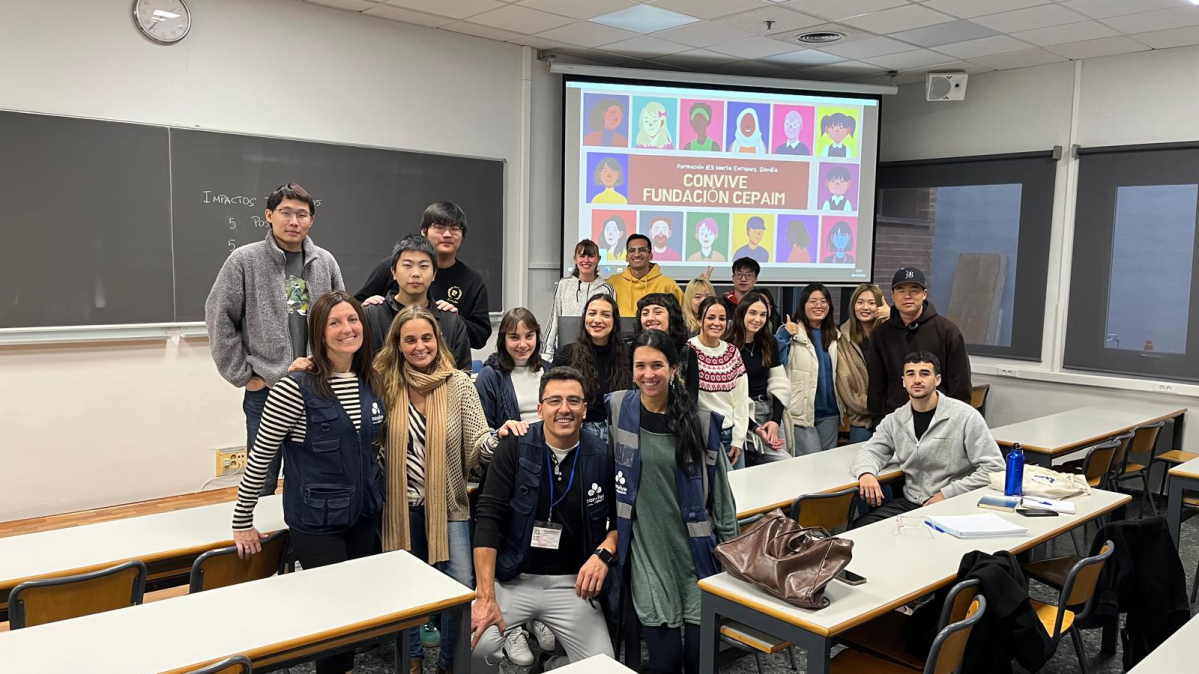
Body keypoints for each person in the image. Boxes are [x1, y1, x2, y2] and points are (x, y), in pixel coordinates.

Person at [231, 291, 381, 674]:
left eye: (353, 320)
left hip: (364, 513)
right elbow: (262, 455)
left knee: (356, 605)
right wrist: (242, 520)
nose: (347, 329)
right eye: (335, 322)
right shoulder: (294, 386)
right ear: (319, 332)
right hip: (317, 521)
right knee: (332, 611)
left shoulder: (371, 380)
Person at [375, 304, 520, 674]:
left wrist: (500, 437)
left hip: (450, 505)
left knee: (459, 589)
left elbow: (478, 441)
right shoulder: (381, 380)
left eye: (426, 338)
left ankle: (450, 663)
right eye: (410, 340)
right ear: (398, 344)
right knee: (403, 591)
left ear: (437, 340)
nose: (419, 346)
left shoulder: (458, 384)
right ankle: (411, 661)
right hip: (398, 507)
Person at [470, 367, 618, 673]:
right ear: (540, 408)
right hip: (513, 578)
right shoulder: (514, 446)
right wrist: (485, 596)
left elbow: (621, 522)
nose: (564, 409)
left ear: (585, 409)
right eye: (554, 401)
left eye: (574, 401)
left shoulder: (601, 454)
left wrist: (603, 555)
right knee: (475, 647)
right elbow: (488, 516)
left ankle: (553, 664)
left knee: (603, 668)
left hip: (572, 584)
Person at [607, 330, 738, 674]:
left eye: (657, 365)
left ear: (674, 368)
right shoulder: (618, 408)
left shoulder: (700, 422)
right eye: (640, 366)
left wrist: (731, 563)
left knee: (699, 661)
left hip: (697, 557)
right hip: (648, 555)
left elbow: (723, 502)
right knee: (664, 663)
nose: (648, 374)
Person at [207, 182, 344, 497]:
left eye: (302, 214)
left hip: (316, 388)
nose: (293, 221)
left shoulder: (325, 262)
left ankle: (302, 542)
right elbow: (219, 317)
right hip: (266, 391)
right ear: (269, 215)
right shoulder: (245, 261)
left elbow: (340, 318)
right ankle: (259, 541)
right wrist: (246, 376)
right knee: (262, 479)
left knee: (314, 475)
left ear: (312, 220)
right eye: (285, 213)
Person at [851, 352, 1004, 528]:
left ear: (937, 380)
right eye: (910, 374)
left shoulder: (965, 417)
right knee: (860, 528)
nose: (917, 380)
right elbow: (870, 451)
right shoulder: (895, 419)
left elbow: (994, 468)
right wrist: (866, 473)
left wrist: (947, 494)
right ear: (903, 381)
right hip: (912, 503)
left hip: (953, 502)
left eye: (924, 373)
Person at [355, 201, 492, 350]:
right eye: (439, 227)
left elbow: (481, 336)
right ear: (424, 231)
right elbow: (355, 306)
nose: (447, 235)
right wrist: (365, 309)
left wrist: (453, 320)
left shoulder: (472, 281)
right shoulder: (393, 266)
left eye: (455, 229)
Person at [869, 267, 972, 425]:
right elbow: (877, 382)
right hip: (895, 419)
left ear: (924, 294)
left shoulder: (947, 331)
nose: (907, 296)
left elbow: (960, 384)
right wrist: (878, 420)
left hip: (939, 420)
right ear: (893, 296)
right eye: (901, 290)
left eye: (914, 290)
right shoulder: (882, 334)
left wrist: (954, 423)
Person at [364, 234, 471, 370]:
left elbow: (462, 374)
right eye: (407, 265)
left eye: (424, 266)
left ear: (434, 274)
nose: (415, 273)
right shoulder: (372, 316)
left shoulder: (450, 320)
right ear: (394, 272)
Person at [552, 294, 633, 446]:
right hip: (577, 433)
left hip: (618, 434)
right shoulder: (565, 354)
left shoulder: (628, 355)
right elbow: (553, 399)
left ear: (614, 321)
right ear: (584, 319)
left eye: (605, 315)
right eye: (592, 313)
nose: (597, 320)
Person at [728, 292, 790, 464]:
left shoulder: (768, 343)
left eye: (763, 315)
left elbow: (779, 385)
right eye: (752, 313)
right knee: (784, 462)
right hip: (744, 416)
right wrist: (754, 428)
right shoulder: (728, 347)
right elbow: (730, 399)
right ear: (742, 314)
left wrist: (775, 421)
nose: (758, 319)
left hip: (769, 412)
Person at [688, 298, 749, 469]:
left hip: (731, 434)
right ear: (700, 320)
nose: (717, 323)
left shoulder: (732, 352)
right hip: (703, 436)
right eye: (711, 317)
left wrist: (738, 439)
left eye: (722, 318)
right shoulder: (688, 351)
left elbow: (741, 399)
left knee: (738, 492)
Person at [781, 284, 840, 455]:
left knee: (827, 468)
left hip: (830, 412)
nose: (818, 305)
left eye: (823, 301)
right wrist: (784, 335)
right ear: (802, 305)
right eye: (812, 301)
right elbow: (775, 361)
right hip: (801, 412)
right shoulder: (792, 332)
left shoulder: (835, 335)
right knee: (810, 466)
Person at [543, 239, 616, 362]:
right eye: (582, 256)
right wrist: (546, 355)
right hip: (566, 352)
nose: (586, 260)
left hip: (595, 354)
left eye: (591, 256)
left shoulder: (607, 289)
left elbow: (611, 323)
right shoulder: (564, 285)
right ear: (575, 259)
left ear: (598, 259)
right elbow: (554, 320)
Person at [833, 284, 888, 444]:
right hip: (861, 421)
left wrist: (893, 318)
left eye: (872, 303)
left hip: (891, 418)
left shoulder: (891, 334)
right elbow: (846, 387)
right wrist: (880, 404)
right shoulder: (841, 338)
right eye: (860, 302)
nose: (865, 307)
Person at [477, 308, 546, 430]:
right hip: (511, 445)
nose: (523, 344)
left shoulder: (549, 370)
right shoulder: (489, 376)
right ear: (503, 340)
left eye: (529, 336)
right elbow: (483, 432)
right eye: (514, 337)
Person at [634, 293, 699, 399]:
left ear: (671, 316)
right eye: (645, 313)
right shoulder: (631, 350)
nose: (650, 318)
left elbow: (692, 400)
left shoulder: (686, 353)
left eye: (658, 312)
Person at [609, 233, 684, 318]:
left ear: (651, 256)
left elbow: (681, 317)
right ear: (626, 257)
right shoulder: (612, 283)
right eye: (632, 250)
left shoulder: (668, 285)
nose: (637, 254)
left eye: (642, 250)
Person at [720, 258, 781, 333]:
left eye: (748, 275)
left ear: (755, 279)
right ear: (733, 278)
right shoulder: (722, 304)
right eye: (739, 274)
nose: (743, 279)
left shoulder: (763, 305)